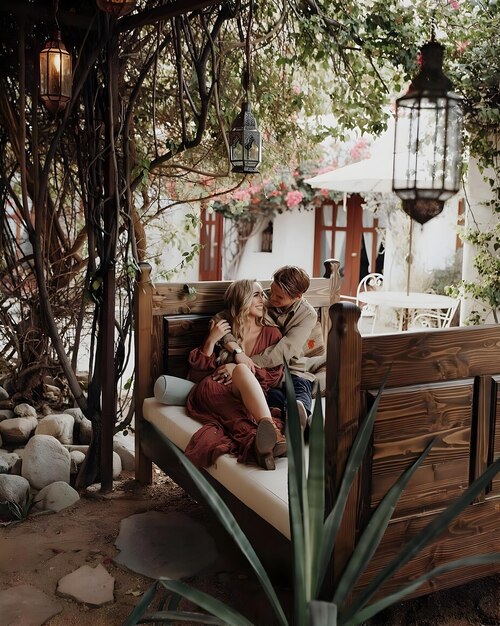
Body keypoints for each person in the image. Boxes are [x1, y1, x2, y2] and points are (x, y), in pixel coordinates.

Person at [185, 279, 286, 471]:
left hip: (248, 393)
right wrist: (211, 340)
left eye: (262, 295)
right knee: (238, 388)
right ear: (242, 299)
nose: (262, 300)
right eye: (256, 295)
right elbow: (195, 376)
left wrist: (238, 370)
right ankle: (271, 434)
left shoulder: (272, 334)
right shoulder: (223, 329)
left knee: (240, 371)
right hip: (216, 389)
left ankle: (261, 445)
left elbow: (273, 376)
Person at [219, 266, 318, 427]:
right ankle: (297, 423)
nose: (271, 299)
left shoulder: (307, 315)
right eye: (271, 291)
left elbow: (286, 350)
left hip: (289, 368)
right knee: (272, 396)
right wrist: (237, 352)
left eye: (279, 297)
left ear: (298, 297)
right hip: (264, 372)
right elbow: (221, 319)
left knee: (300, 386)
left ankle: (301, 413)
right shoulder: (261, 296)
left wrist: (243, 364)